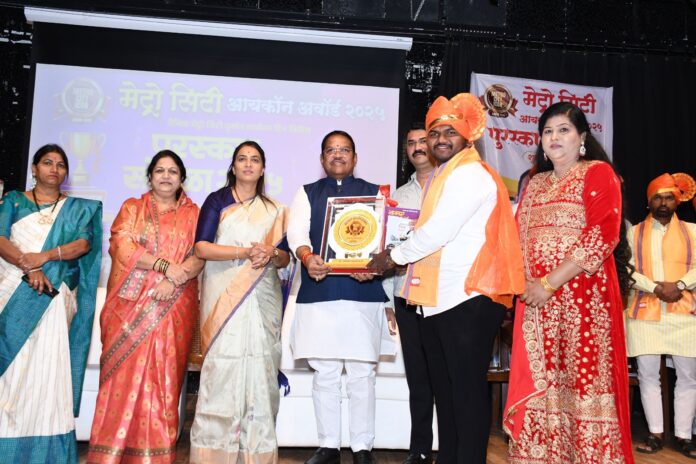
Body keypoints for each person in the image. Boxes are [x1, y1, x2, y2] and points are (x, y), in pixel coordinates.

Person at [369, 94, 524, 464]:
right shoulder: (445, 175)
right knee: (448, 392)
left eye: (450, 132)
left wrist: (390, 258)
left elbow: (437, 231)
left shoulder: (470, 174)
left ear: (467, 136)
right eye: (434, 133)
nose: (440, 139)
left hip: (468, 299)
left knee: (465, 393)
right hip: (441, 301)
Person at [504, 101, 635, 463]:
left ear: (582, 137)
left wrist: (548, 283)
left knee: (583, 384)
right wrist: (526, 285)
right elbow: (518, 237)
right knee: (543, 387)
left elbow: (602, 235)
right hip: (537, 306)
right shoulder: (534, 183)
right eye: (547, 131)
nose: (554, 137)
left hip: (584, 302)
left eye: (564, 130)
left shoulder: (598, 173)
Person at [287, 130, 396, 464]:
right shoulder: (307, 192)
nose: (338, 155)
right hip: (320, 291)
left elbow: (388, 240)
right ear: (322, 159)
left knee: (362, 374)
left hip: (362, 293)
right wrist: (307, 257)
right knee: (326, 373)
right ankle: (328, 446)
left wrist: (375, 268)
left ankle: (362, 448)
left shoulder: (375, 193)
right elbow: (296, 233)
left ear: (355, 157)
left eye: (344, 149)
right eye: (331, 150)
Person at [87, 150, 203, 463]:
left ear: (182, 179)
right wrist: (164, 267)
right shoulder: (132, 208)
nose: (166, 176)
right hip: (129, 308)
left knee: (164, 380)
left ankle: (154, 456)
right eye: (160, 170)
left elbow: (200, 254)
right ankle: (110, 454)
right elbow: (121, 245)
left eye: (173, 171)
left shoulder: (194, 214)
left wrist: (174, 281)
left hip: (174, 306)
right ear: (150, 176)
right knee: (120, 381)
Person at [190, 141, 291, 463]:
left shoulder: (276, 210)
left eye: (255, 159)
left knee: (261, 373)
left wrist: (271, 253)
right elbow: (201, 248)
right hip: (223, 299)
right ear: (233, 167)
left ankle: (256, 453)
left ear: (262, 169)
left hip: (262, 299)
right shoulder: (217, 201)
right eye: (242, 159)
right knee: (220, 373)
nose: (248, 164)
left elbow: (285, 258)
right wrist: (245, 252)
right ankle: (212, 454)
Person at [0, 144, 102, 462]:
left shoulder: (77, 209)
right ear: (34, 169)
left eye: (60, 164)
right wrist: (28, 267)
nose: (54, 169)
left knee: (47, 370)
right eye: (47, 162)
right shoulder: (13, 201)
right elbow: (0, 238)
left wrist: (44, 258)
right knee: (13, 370)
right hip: (11, 290)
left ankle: (46, 452)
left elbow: (83, 244)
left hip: (54, 298)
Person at [626, 172, 696, 458]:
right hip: (645, 310)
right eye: (658, 198)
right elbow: (628, 268)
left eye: (669, 198)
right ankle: (655, 433)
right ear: (649, 202)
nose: (664, 203)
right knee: (648, 375)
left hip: (684, 312)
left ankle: (683, 435)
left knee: (688, 376)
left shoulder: (693, 231)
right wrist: (655, 287)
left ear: (677, 201)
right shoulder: (633, 233)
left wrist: (679, 285)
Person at [381, 123, 436, 464]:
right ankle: (420, 450)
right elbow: (388, 252)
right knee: (417, 377)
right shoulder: (398, 197)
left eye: (423, 140)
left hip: (444, 296)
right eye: (411, 143)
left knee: (445, 376)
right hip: (406, 295)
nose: (417, 147)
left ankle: (452, 449)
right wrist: (389, 301)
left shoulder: (452, 188)